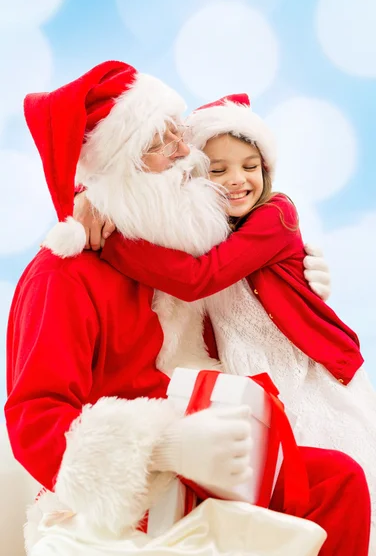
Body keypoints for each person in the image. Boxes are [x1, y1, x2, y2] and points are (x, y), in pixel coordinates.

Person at [6, 65, 370, 555]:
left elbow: (229, 284)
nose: (187, 155)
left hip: (213, 449)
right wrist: (163, 448)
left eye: (181, 134)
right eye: (163, 142)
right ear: (122, 166)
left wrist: (301, 274)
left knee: (339, 481)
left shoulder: (170, 249)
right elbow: (35, 416)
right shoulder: (62, 276)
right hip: (133, 487)